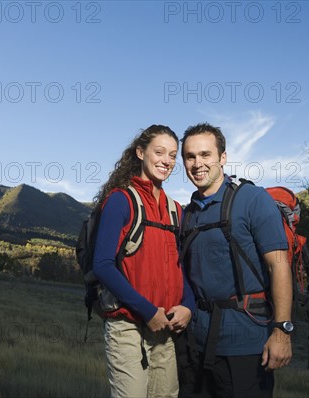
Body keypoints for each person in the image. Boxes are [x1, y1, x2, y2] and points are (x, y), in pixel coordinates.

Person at [178, 123, 292, 398]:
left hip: (247, 344)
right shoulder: (188, 213)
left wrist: (282, 331)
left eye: (205, 155)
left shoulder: (253, 199)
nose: (197, 164)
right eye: (190, 157)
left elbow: (279, 265)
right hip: (197, 345)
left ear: (223, 158)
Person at [92, 124, 195, 398]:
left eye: (173, 155)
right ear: (140, 152)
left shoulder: (176, 211)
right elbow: (102, 264)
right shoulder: (121, 200)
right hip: (128, 325)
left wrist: (189, 306)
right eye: (159, 152)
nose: (167, 161)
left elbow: (181, 267)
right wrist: (148, 311)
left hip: (165, 326)